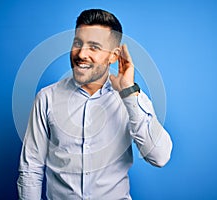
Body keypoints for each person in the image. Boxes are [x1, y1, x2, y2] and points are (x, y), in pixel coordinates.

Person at [17, 9, 173, 200]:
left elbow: (160, 157)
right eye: (77, 43)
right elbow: (31, 168)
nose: (81, 53)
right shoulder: (46, 98)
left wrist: (129, 94)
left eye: (94, 47)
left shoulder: (131, 98)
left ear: (113, 56)